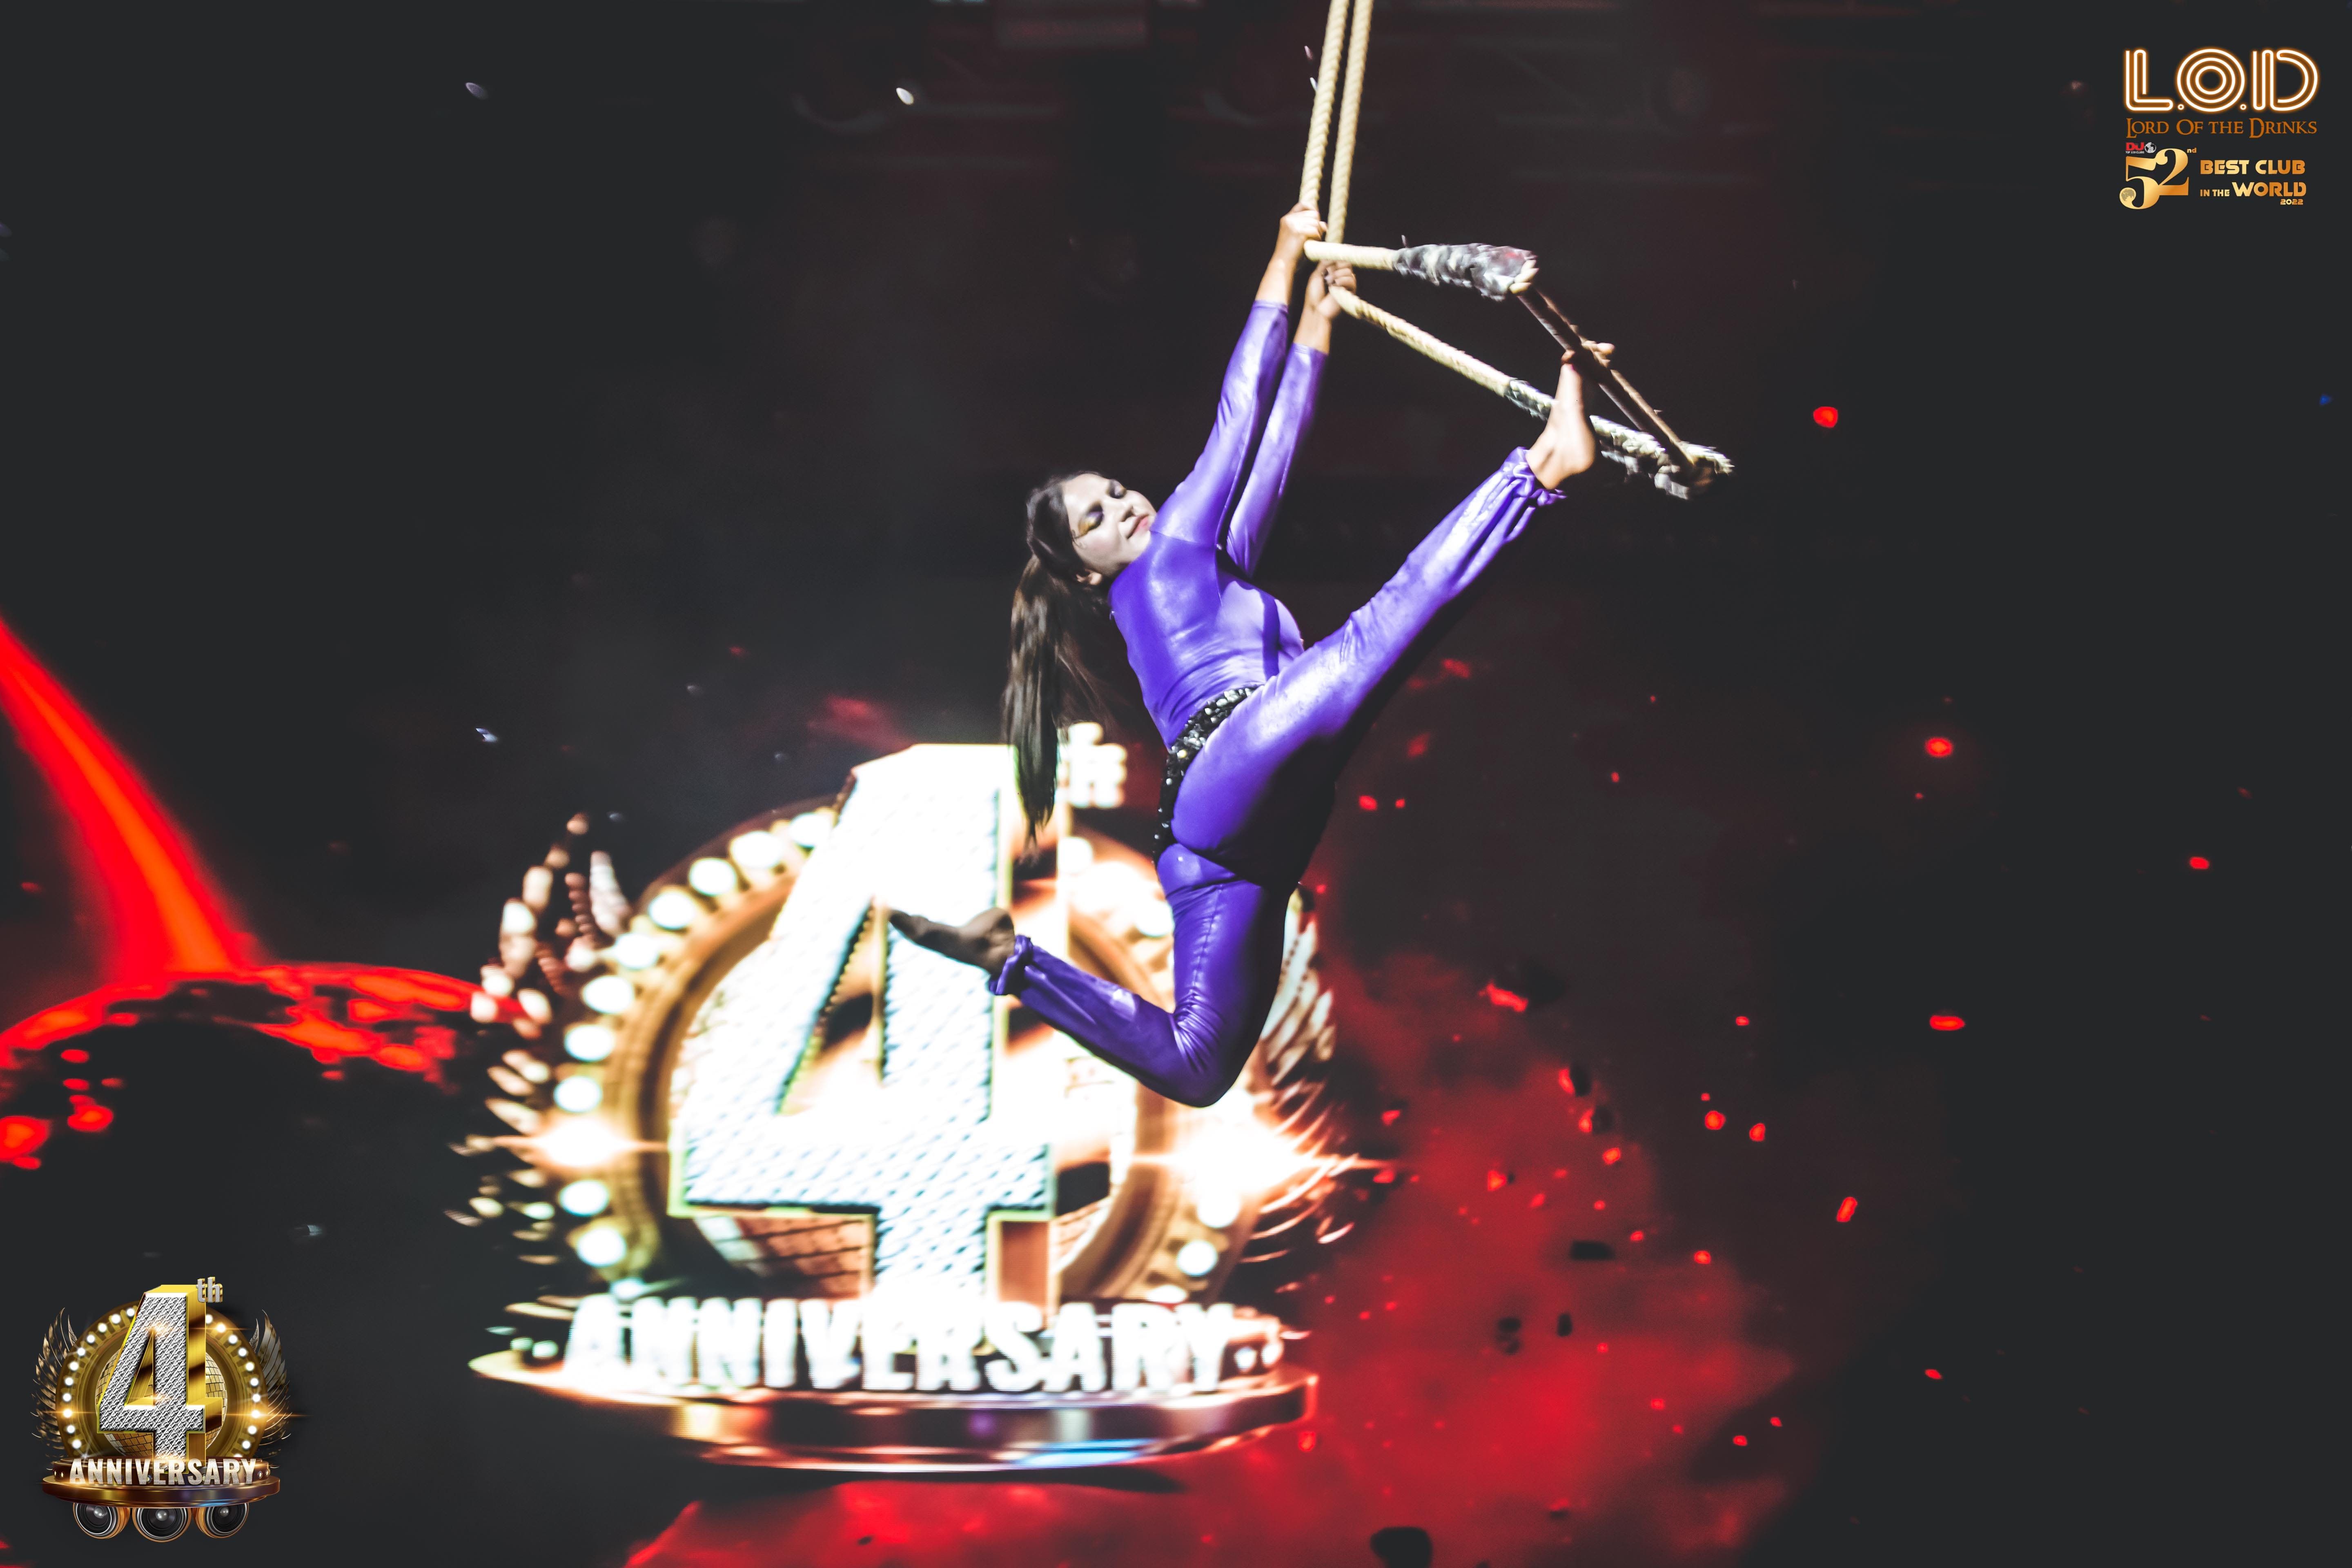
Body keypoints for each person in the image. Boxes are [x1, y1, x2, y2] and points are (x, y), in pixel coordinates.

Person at [891, 202, 1604, 1107]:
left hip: (1213, 836)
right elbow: (1239, 416)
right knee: (1373, 636)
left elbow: (1278, 446)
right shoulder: (1167, 554)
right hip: (1233, 794)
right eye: (1097, 518)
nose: (1126, 508)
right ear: (1083, 571)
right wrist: (1280, 260)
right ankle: (1539, 468)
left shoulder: (1203, 563)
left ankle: (1012, 960)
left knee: (1197, 1066)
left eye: (1117, 490)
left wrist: (1318, 321)